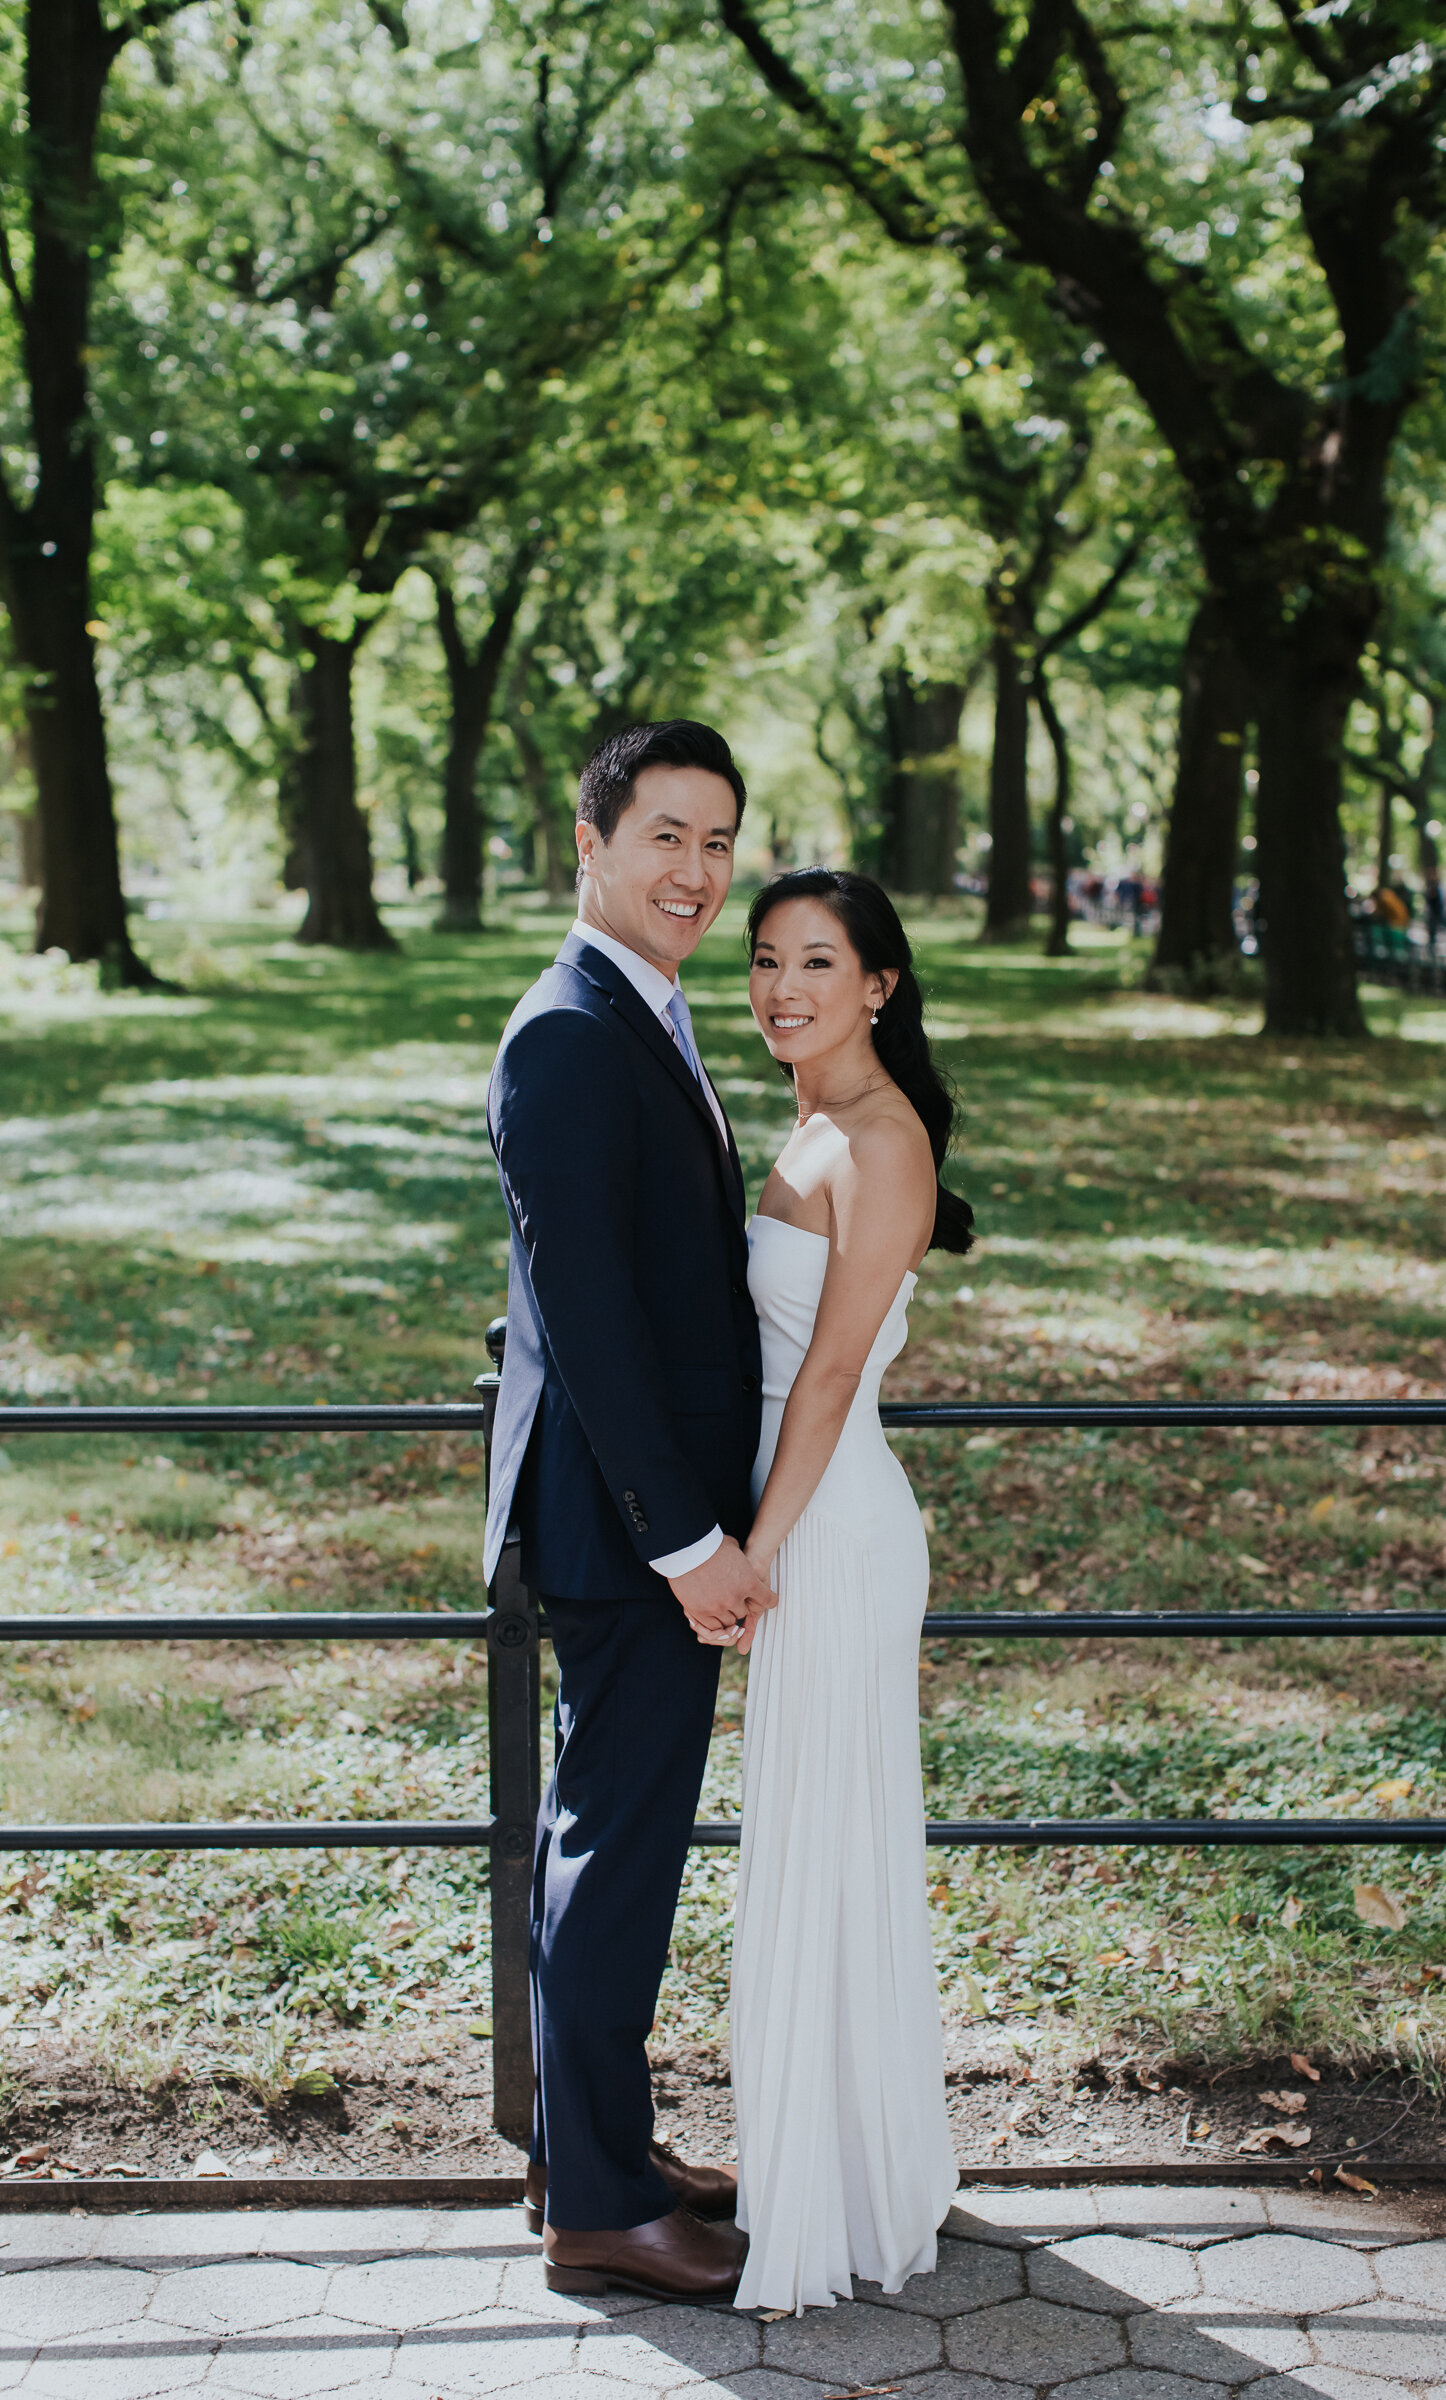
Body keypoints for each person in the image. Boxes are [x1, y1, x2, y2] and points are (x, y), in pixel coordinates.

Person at [483, 720, 775, 2304]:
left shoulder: (636, 1009)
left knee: (608, 1849)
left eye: (719, 842)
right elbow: (588, 1311)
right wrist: (688, 1541)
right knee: (613, 1856)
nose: (698, 871)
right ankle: (598, 2207)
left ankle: (591, 2151)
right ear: (589, 844)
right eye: (667, 835)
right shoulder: (570, 1033)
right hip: (629, 1534)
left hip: (644, 1521)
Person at [726, 866, 972, 2315]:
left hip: (828, 1525)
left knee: (831, 1849)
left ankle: (846, 2194)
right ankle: (820, 2161)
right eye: (765, 960)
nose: (783, 988)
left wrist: (756, 1546)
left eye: (818, 961)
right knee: (804, 1847)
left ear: (879, 983)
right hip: (794, 1513)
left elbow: (827, 1374)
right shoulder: (812, 1121)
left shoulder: (881, 1143)